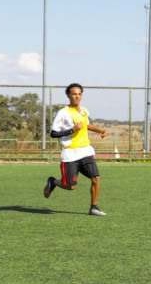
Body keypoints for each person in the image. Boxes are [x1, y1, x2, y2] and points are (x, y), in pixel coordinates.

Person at [43, 82, 108, 216]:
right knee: (70, 186)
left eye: (79, 94)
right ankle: (53, 182)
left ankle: (94, 207)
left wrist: (100, 130)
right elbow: (53, 133)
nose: (77, 96)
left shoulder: (84, 111)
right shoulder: (63, 113)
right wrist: (72, 129)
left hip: (86, 151)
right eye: (74, 94)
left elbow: (86, 125)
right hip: (70, 154)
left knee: (96, 178)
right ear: (68, 95)